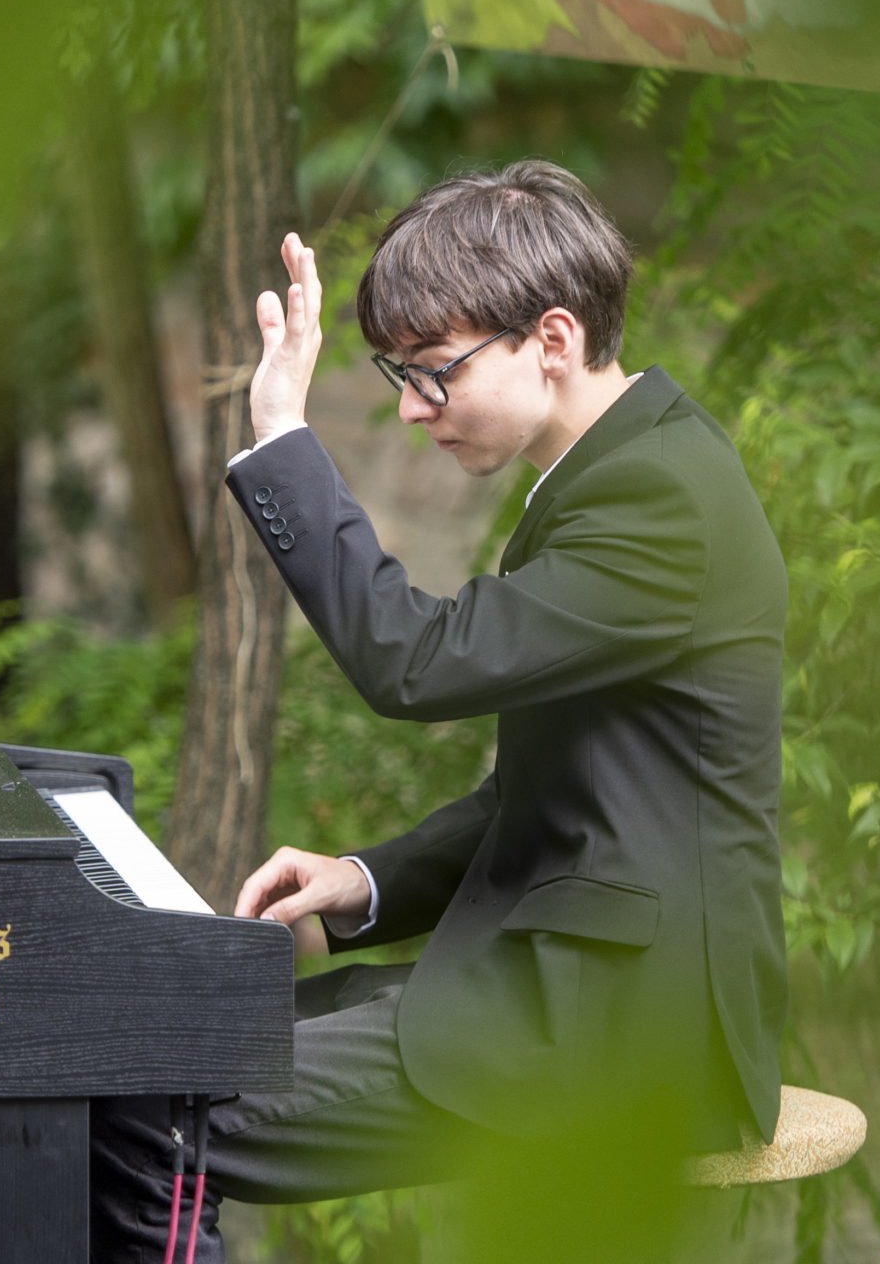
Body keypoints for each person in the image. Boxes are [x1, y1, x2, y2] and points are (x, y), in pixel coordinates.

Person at [89, 161, 790, 1260]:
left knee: (152, 1113)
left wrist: (281, 437)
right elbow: (551, 792)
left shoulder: (659, 502)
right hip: (543, 989)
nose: (414, 410)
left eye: (433, 373)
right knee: (138, 1058)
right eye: (398, 376)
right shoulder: (615, 477)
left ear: (551, 339)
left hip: (622, 1035)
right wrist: (362, 886)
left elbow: (411, 664)